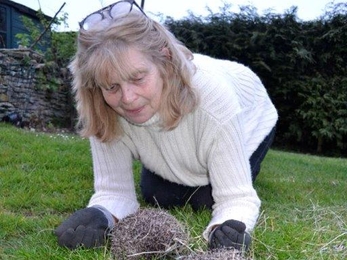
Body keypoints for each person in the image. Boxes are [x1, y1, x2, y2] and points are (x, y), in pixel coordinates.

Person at [54, 0, 278, 251]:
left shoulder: (214, 100)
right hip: (201, 130)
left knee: (205, 198)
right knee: (159, 195)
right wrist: (101, 215)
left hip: (252, 114)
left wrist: (225, 229)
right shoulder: (104, 105)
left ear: (165, 59)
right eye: (112, 87)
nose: (127, 98)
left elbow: (236, 197)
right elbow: (114, 191)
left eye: (138, 78)